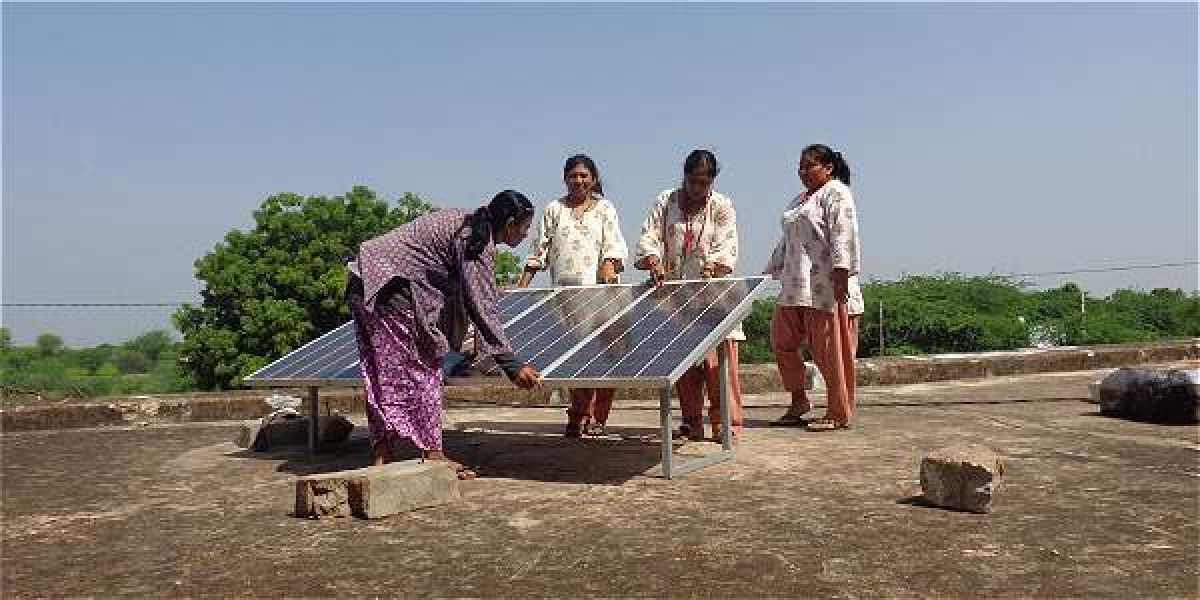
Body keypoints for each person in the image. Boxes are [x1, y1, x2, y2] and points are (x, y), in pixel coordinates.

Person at [346, 190, 543, 479]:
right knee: (425, 369)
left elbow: (462, 296)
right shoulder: (476, 240)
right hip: (392, 291)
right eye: (525, 227)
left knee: (379, 374)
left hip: (361, 284)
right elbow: (483, 305)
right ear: (510, 222)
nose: (526, 234)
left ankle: (383, 452)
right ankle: (432, 454)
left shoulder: (466, 221)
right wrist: (511, 365)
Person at [634, 149, 744, 441]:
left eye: (704, 183)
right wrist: (654, 260)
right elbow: (650, 236)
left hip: (713, 296)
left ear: (712, 182)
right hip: (675, 298)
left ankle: (727, 423)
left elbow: (727, 246)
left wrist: (712, 268)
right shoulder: (666, 201)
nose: (697, 188)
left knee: (717, 363)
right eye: (693, 181)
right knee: (684, 364)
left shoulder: (722, 205)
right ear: (684, 176)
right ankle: (692, 421)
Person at [518, 154, 628, 438]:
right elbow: (538, 250)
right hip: (565, 298)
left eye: (584, 176)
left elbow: (614, 245)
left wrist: (609, 266)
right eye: (573, 176)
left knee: (603, 358)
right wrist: (523, 285)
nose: (578, 180)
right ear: (565, 178)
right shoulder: (554, 209)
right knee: (576, 358)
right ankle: (578, 414)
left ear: (593, 179)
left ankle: (594, 417)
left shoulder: (605, 208)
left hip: (600, 295)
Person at [763, 144, 863, 432]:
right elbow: (789, 239)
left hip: (825, 287)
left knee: (830, 353)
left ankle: (837, 411)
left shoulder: (836, 192)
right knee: (782, 342)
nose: (803, 171)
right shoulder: (799, 200)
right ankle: (798, 401)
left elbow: (843, 231)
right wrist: (771, 268)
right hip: (795, 286)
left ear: (828, 167)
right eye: (800, 166)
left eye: (810, 166)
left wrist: (842, 272)